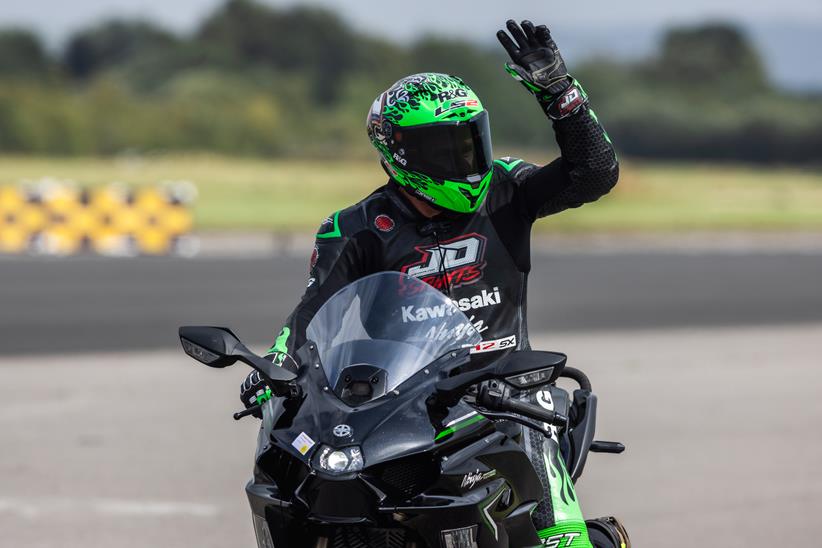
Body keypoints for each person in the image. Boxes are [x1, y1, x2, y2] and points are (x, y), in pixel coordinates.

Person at [241, 19, 626, 547]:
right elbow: (311, 311)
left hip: (508, 395)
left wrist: (560, 92)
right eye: (446, 148)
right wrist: (274, 368)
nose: (466, 161)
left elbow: (595, 174)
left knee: (558, 530)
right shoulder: (355, 226)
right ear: (400, 153)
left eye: (471, 141)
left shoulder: (507, 189)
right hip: (402, 407)